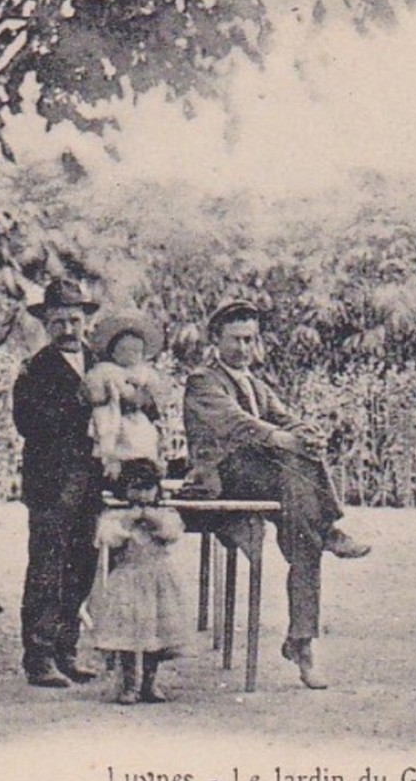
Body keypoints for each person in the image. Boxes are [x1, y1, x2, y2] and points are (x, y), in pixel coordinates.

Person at [181, 298, 371, 689]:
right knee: (298, 471)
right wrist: (284, 438)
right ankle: (329, 527)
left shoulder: (255, 382)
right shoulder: (204, 380)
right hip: (222, 478)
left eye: (250, 339)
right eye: (235, 339)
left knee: (305, 534)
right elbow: (237, 424)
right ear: (215, 339)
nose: (244, 348)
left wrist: (307, 433)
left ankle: (301, 638)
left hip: (267, 477)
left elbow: (283, 416)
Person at [13, 279, 104, 689]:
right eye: (57, 323)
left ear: (86, 320)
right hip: (52, 482)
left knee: (83, 566)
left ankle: (68, 651)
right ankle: (39, 658)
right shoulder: (35, 370)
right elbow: (27, 423)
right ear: (45, 325)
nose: (67, 330)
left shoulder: (104, 364)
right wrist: (79, 406)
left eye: (74, 320)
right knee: (47, 568)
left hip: (95, 482)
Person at [91, 459, 191, 705]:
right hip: (128, 579)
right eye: (135, 488)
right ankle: (128, 684)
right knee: (128, 637)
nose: (142, 494)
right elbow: (107, 537)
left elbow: (173, 532)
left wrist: (154, 521)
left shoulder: (164, 513)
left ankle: (149, 683)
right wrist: (128, 522)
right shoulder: (117, 514)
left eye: (148, 488)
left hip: (158, 580)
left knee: (154, 636)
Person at [87, 311, 168, 479]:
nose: (131, 355)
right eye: (124, 350)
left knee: (144, 435)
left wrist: (147, 394)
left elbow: (156, 392)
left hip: (138, 416)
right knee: (114, 435)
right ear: (114, 353)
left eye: (136, 351)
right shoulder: (107, 370)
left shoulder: (144, 372)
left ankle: (146, 463)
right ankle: (114, 464)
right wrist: (126, 391)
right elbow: (100, 390)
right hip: (114, 412)